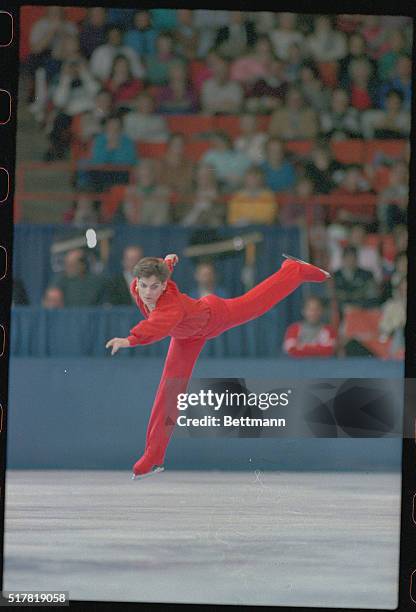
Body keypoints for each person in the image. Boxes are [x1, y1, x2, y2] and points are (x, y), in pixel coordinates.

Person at [105, 252, 331, 478]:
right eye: (144, 286)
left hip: (213, 316)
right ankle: (154, 456)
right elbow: (159, 272)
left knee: (257, 303)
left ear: (164, 286)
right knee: (169, 390)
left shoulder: (169, 307)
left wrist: (129, 340)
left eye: (154, 287)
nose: (147, 293)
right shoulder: (137, 286)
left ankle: (293, 270)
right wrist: (168, 262)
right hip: (186, 335)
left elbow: (155, 327)